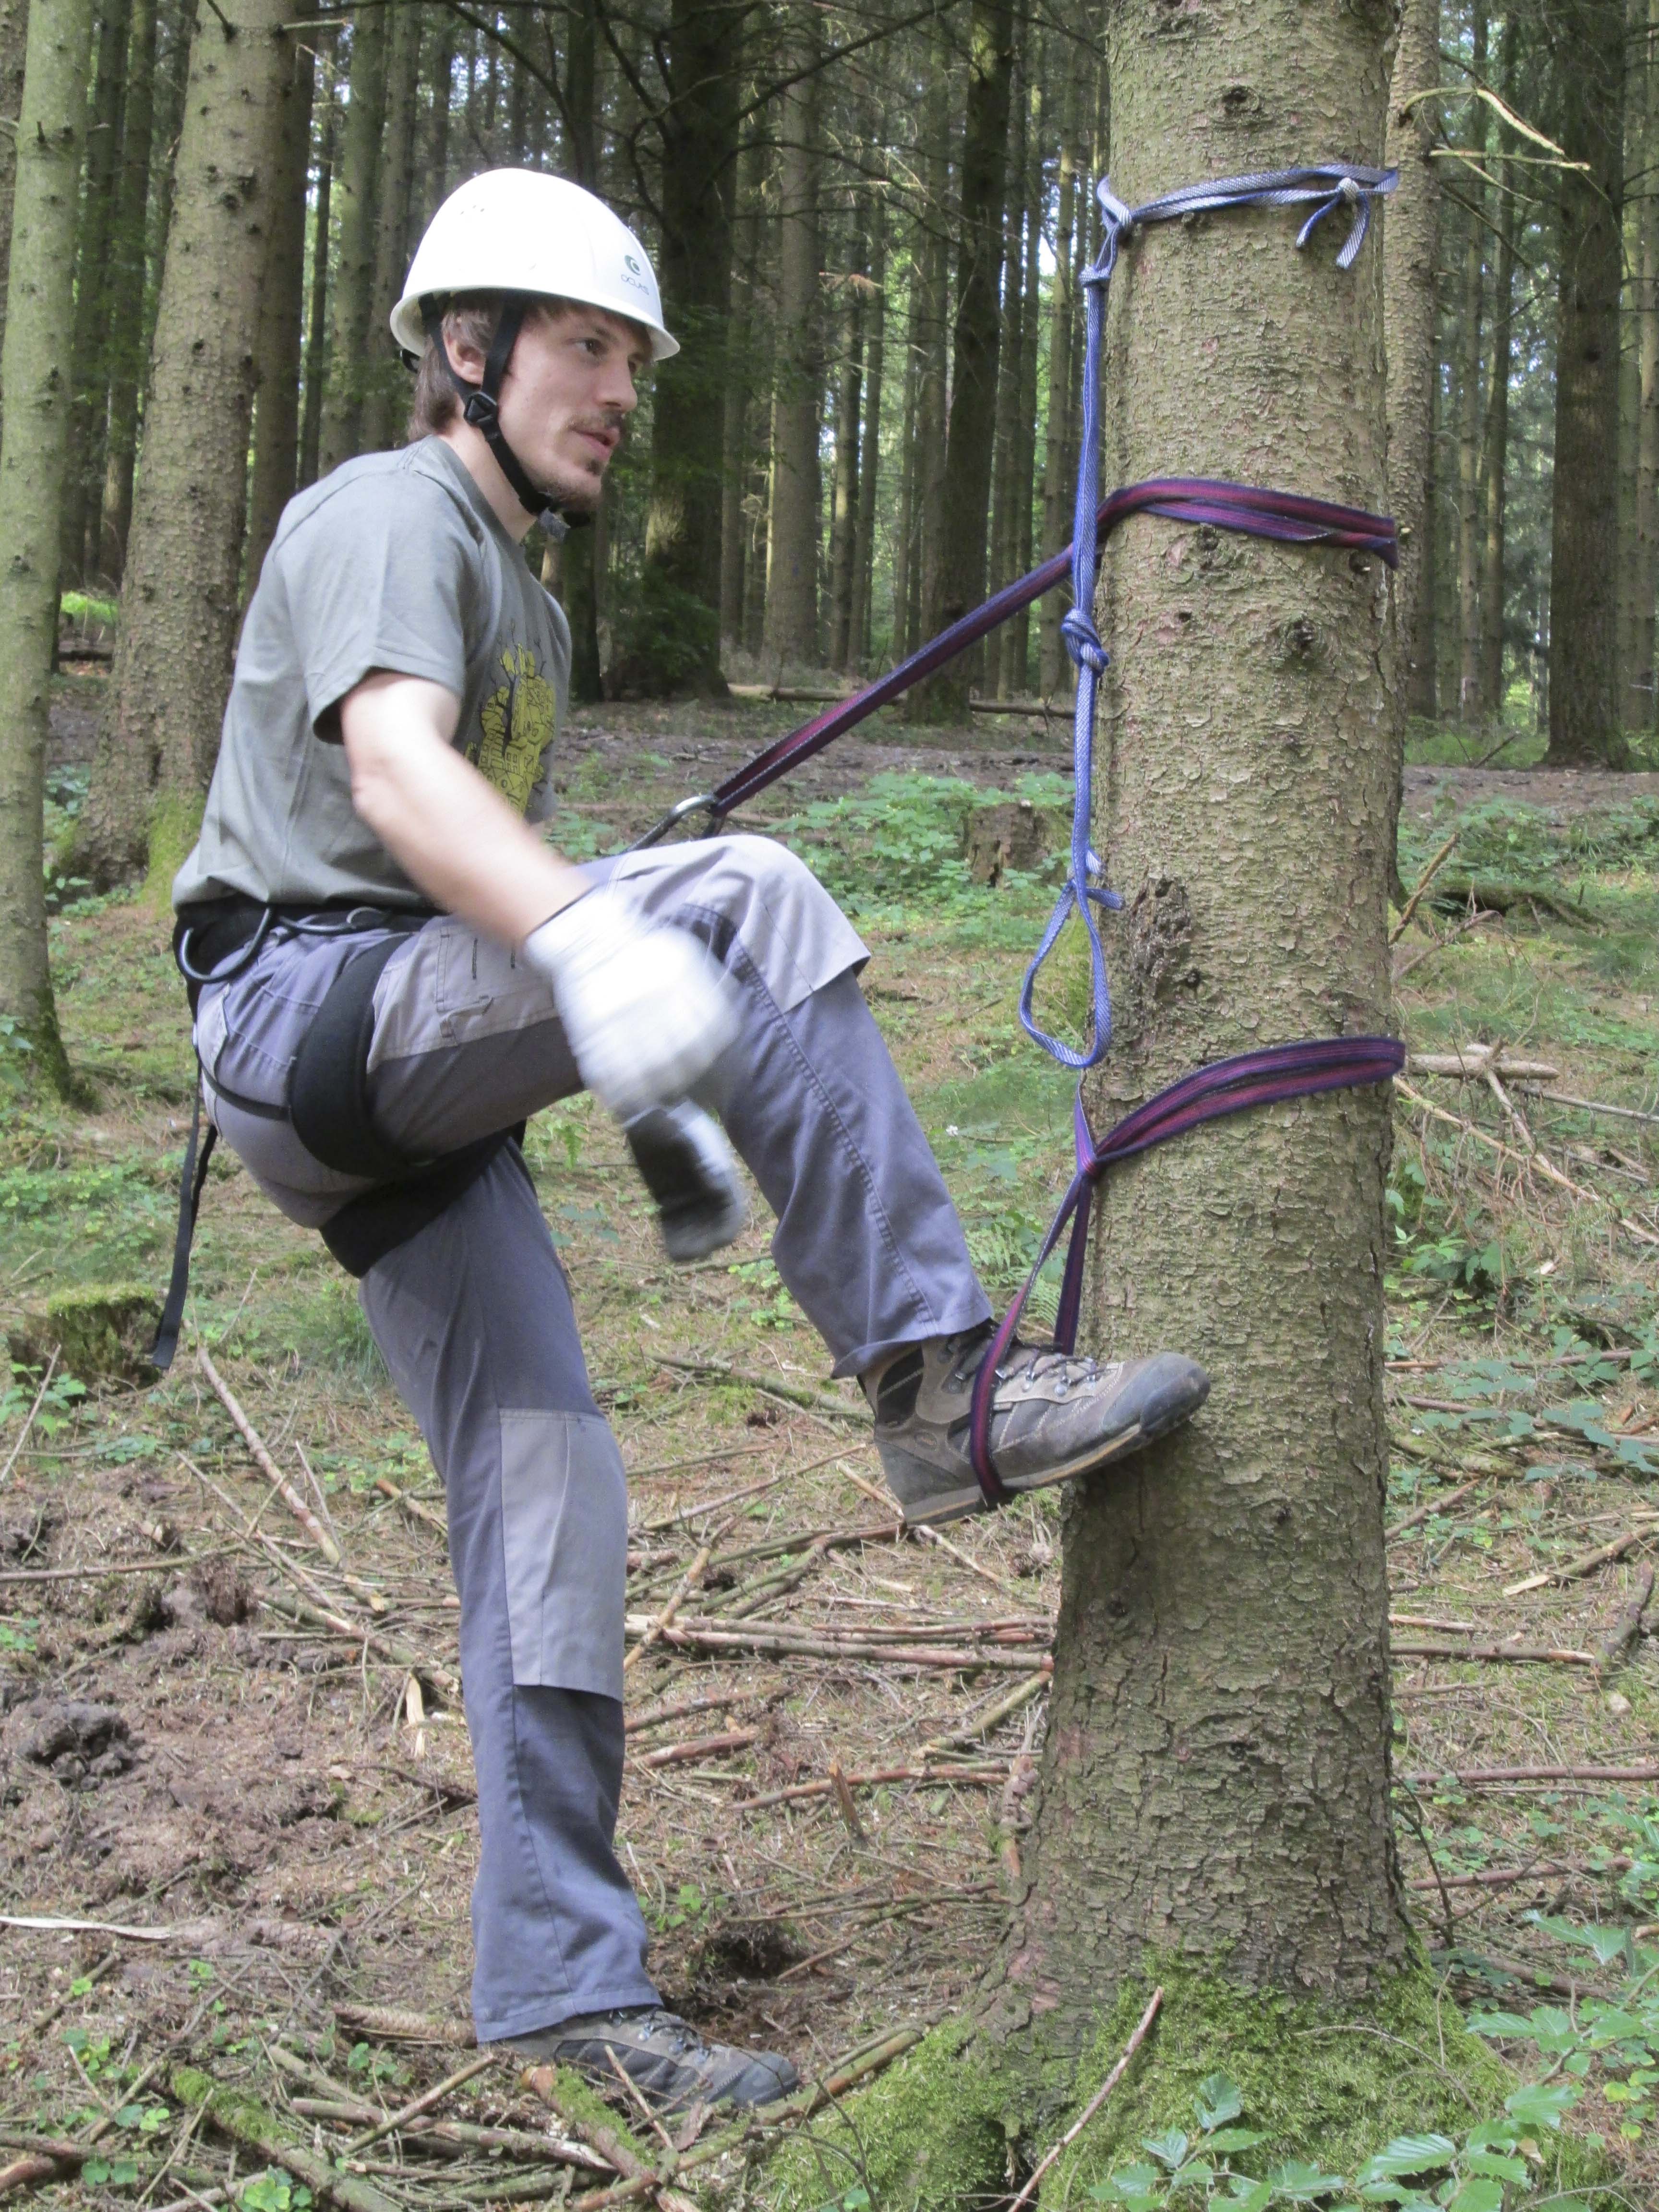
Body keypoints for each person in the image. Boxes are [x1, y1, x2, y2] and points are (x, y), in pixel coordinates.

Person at [168, 170, 1210, 2106]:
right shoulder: (395, 513)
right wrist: (595, 930)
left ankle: (562, 1994)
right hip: (309, 1012)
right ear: (465, 352)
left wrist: (635, 1046)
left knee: (552, 1479)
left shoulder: (529, 602)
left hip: (402, 1087)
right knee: (732, 898)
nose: (618, 389)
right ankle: (934, 1381)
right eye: (583, 346)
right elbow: (397, 779)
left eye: (634, 358)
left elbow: (492, 905)